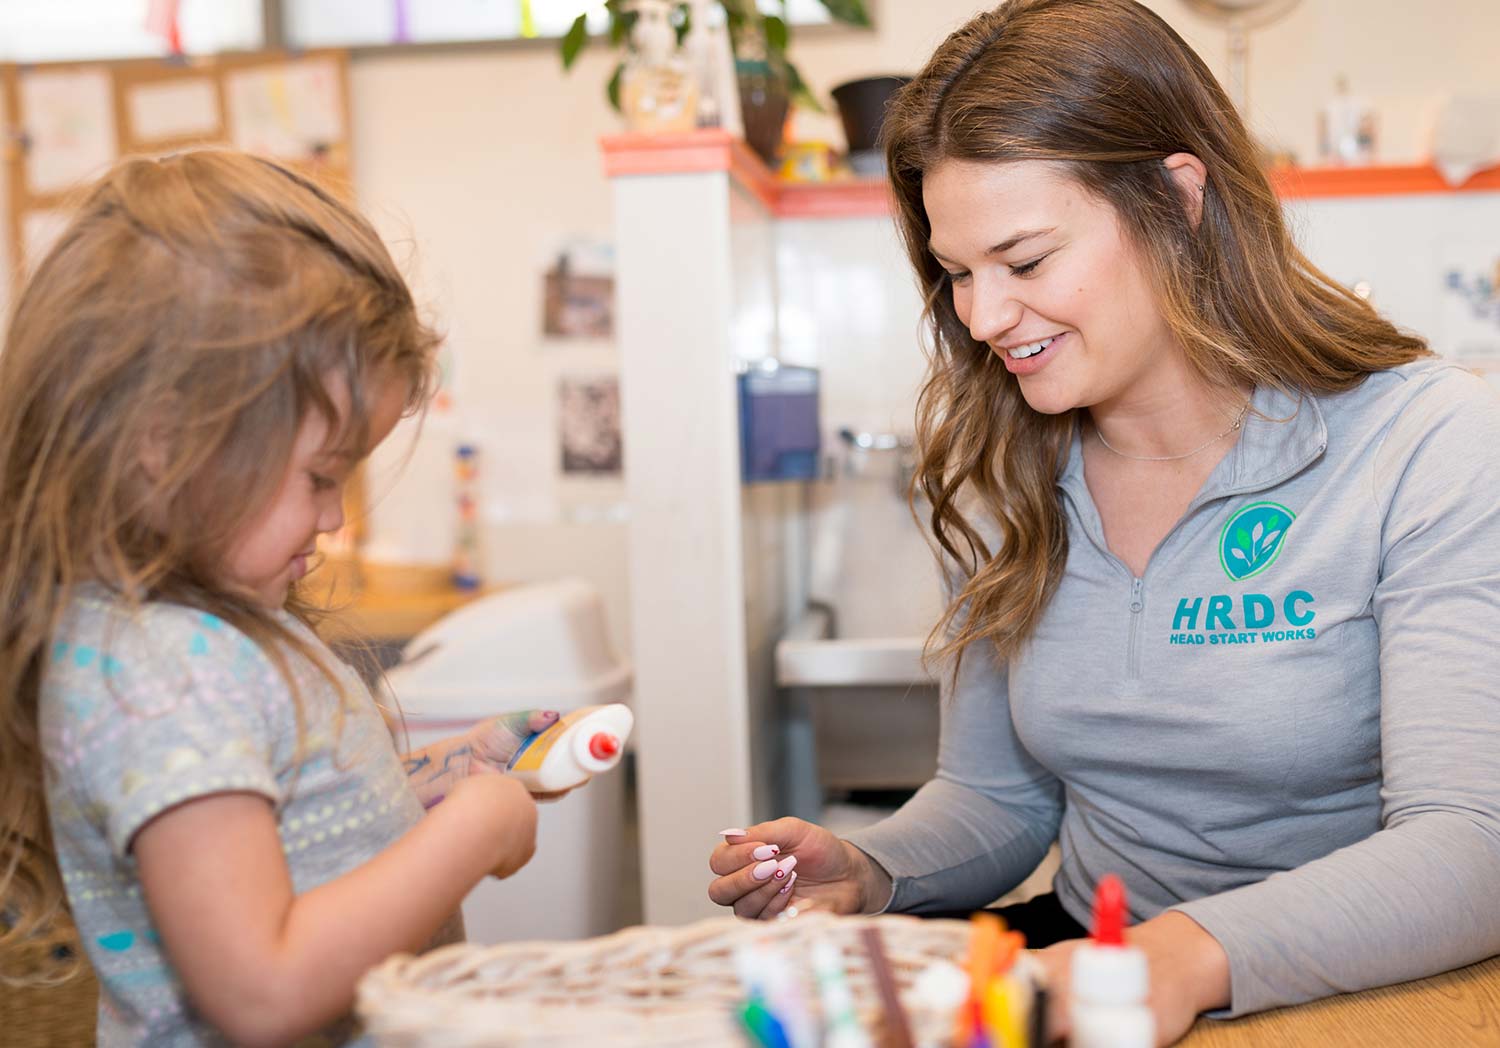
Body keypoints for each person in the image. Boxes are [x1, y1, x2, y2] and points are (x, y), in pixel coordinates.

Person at [708, 0, 1500, 1042]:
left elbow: (1471, 844)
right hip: (1089, 961)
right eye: (956, 274)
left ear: (1178, 201)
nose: (983, 319)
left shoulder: (1429, 440)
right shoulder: (1003, 463)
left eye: (1025, 262)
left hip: (1361, 990)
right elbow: (998, 798)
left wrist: (1177, 957)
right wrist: (876, 868)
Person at [0, 151, 555, 1046]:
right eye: (321, 475)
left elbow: (295, 835)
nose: (335, 517)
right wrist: (472, 837)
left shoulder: (212, 632)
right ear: (167, 443)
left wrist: (452, 775)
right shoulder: (160, 679)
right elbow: (263, 990)